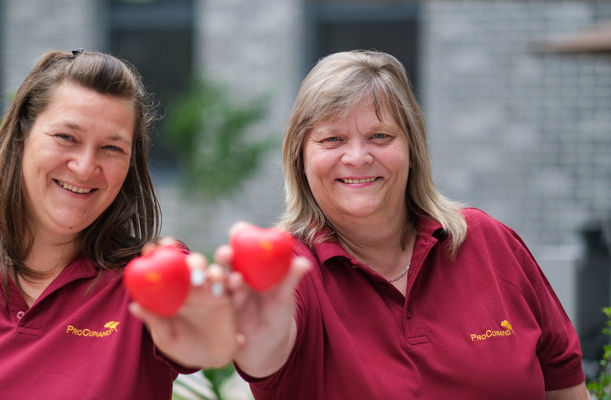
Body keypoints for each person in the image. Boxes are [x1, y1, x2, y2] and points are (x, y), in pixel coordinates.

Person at [0, 49, 236, 399]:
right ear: (21, 137)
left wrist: (212, 330)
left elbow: (202, 344)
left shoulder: (149, 280)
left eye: (112, 148)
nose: (85, 167)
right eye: (67, 137)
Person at [219, 50, 588, 399]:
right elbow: (266, 352)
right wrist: (253, 335)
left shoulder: (490, 243)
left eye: (380, 136)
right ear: (300, 158)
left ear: (412, 149)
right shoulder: (291, 271)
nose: (358, 157)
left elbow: (565, 383)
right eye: (332, 139)